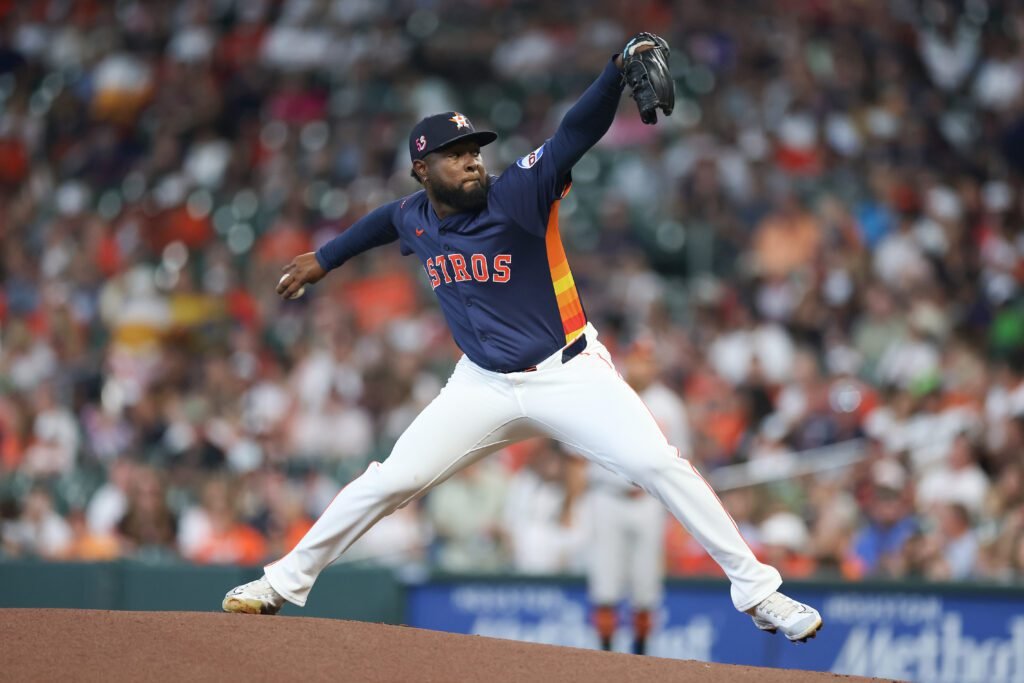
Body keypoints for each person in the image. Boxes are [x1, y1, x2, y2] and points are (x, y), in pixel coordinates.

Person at [223, 34, 823, 643]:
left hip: (570, 372)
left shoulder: (516, 196)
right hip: (482, 383)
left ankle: (760, 593)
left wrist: (616, 72)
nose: (472, 161)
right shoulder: (416, 215)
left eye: (474, 150)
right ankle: (281, 582)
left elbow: (572, 135)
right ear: (422, 170)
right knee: (391, 479)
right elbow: (383, 221)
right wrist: (325, 258)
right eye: (455, 155)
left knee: (658, 464)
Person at [586, 339, 689, 654]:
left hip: (648, 500)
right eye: (636, 359)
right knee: (605, 579)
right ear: (627, 362)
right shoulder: (605, 395)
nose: (641, 366)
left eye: (647, 360)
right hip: (606, 495)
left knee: (646, 585)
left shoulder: (669, 405)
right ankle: (604, 653)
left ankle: (640, 656)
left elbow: (683, 459)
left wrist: (678, 510)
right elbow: (575, 456)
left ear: (655, 365)